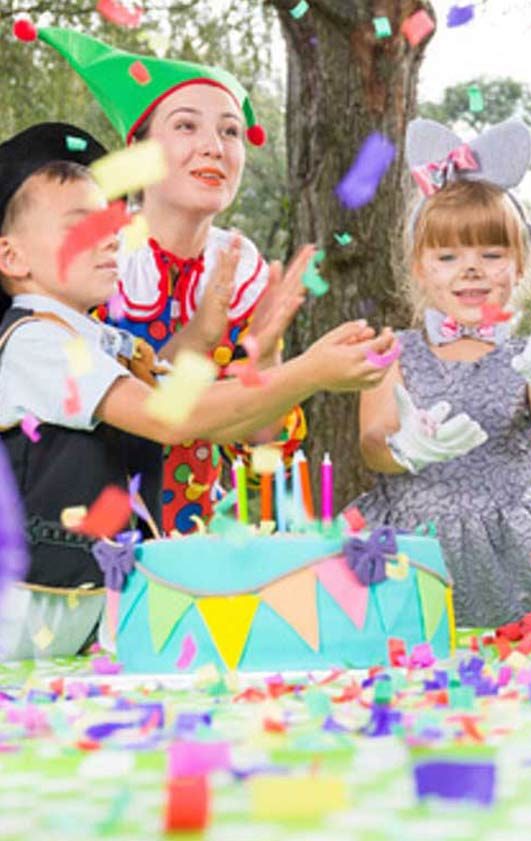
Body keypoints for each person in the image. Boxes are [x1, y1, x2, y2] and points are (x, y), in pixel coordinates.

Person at [0, 122, 396, 659]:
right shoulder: (35, 343)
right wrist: (310, 373)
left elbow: (213, 417)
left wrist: (245, 351)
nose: (110, 235)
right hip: (18, 620)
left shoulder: (96, 342)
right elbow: (171, 418)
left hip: (74, 618)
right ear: (13, 259)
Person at [24, 26, 312, 534]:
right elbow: (137, 414)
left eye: (230, 132)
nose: (214, 148)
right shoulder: (91, 260)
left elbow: (262, 443)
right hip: (84, 549)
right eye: (186, 126)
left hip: (198, 549)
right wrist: (199, 337)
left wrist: (266, 364)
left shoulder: (244, 272)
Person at [355, 118, 531, 628]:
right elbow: (371, 442)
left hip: (509, 553)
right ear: (420, 268)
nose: (471, 269)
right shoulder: (391, 349)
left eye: (491, 254)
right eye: (448, 256)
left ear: (518, 266)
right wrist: (404, 448)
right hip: (404, 550)